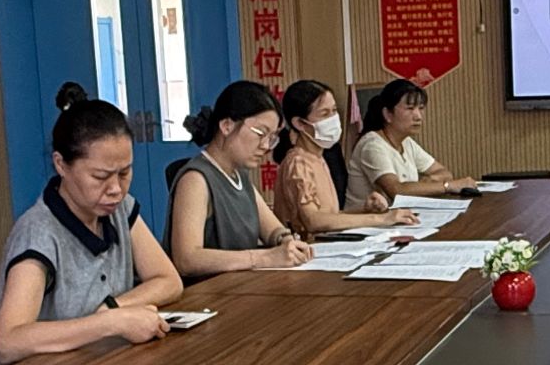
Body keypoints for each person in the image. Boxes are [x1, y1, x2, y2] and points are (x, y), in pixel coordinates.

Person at [0, 89, 183, 365]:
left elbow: (169, 280)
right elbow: (9, 342)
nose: (115, 189)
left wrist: (114, 307)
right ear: (61, 165)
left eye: (125, 173)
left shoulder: (120, 209)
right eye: (100, 176)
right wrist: (108, 322)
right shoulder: (38, 233)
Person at [169, 81, 315, 277]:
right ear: (227, 126)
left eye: (272, 138)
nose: (266, 146)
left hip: (239, 285)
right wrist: (264, 258)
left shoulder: (239, 176)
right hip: (208, 290)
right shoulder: (195, 179)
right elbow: (187, 259)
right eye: (261, 133)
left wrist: (286, 241)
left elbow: (272, 229)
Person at [272, 80, 418, 239]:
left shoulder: (318, 158)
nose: (333, 119)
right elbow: (314, 221)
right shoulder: (298, 162)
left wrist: (364, 211)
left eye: (334, 111)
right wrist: (382, 219)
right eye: (324, 114)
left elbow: (330, 216)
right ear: (300, 123)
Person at [346, 79, 477, 209]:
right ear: (387, 114)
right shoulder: (372, 145)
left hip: (397, 216)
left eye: (421, 108)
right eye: (410, 108)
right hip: (364, 220)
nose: (418, 116)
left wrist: (426, 183)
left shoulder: (406, 142)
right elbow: (397, 192)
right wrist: (448, 186)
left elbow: (444, 172)